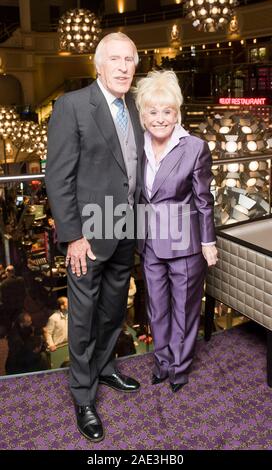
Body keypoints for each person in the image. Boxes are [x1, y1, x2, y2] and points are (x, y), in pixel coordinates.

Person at [45, 32, 143, 442]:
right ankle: (83, 397)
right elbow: (58, 175)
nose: (123, 67)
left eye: (130, 60)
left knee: (114, 310)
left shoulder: (135, 106)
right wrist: (73, 236)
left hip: (125, 228)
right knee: (83, 318)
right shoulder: (72, 106)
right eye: (115, 59)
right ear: (98, 66)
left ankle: (104, 368)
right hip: (89, 234)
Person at [135, 70, 218, 393]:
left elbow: (203, 199)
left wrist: (208, 241)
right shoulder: (137, 146)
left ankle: (180, 369)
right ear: (142, 114)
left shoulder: (194, 147)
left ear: (177, 113)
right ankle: (162, 362)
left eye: (167, 111)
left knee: (184, 308)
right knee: (157, 308)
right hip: (150, 242)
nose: (159, 119)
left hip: (185, 242)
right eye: (153, 111)